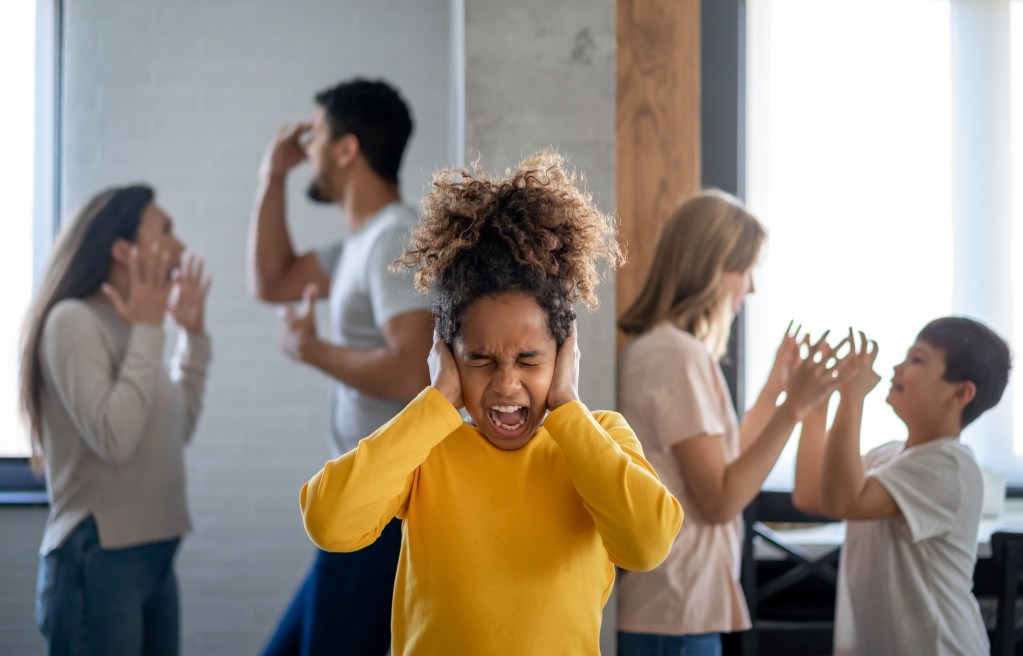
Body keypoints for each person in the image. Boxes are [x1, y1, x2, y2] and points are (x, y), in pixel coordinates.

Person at [299, 151, 683, 655]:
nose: (506, 383)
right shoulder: (427, 450)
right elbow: (329, 522)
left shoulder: (601, 439)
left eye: (529, 359)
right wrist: (437, 401)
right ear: (447, 356)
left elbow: (648, 544)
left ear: (563, 354)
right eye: (480, 359)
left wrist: (567, 407)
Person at [614, 190, 846, 656]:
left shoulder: (666, 349)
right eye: (745, 270)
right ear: (713, 268)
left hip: (674, 608)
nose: (751, 288)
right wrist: (793, 409)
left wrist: (775, 391)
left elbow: (722, 465)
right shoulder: (675, 355)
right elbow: (721, 499)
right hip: (674, 612)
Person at [249, 77, 433, 656]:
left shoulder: (392, 240)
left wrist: (312, 350)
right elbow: (272, 280)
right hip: (360, 502)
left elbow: (413, 374)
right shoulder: (361, 244)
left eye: (317, 137)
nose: (308, 150)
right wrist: (272, 175)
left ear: (347, 149)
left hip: (381, 508)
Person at [20, 184, 212, 656]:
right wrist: (149, 328)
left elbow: (176, 431)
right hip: (98, 557)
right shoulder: (72, 320)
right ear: (123, 250)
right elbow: (115, 439)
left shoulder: (133, 325)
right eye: (165, 230)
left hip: (154, 554)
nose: (180, 246)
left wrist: (192, 337)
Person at [793, 319, 1012, 655]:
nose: (898, 367)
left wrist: (852, 398)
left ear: (960, 393)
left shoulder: (950, 465)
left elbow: (844, 502)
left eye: (917, 360)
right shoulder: (888, 456)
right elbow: (811, 495)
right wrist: (818, 401)